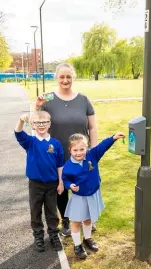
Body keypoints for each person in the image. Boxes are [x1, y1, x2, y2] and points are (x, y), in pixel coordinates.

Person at [35, 63, 98, 236]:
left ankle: (86, 219)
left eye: (68, 76)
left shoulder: (84, 100)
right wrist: (36, 106)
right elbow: (34, 125)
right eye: (62, 77)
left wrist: (93, 151)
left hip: (82, 155)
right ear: (56, 78)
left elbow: (92, 127)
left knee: (84, 188)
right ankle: (67, 221)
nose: (65, 80)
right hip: (57, 155)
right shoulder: (47, 100)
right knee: (61, 190)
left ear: (73, 78)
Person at [62, 132, 125, 259]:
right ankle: (77, 245)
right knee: (76, 222)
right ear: (70, 150)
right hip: (79, 197)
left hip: (92, 194)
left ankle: (87, 238)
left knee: (88, 219)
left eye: (82, 149)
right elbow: (66, 179)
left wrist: (113, 138)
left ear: (87, 148)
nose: (79, 153)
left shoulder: (92, 155)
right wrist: (70, 185)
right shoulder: (68, 166)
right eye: (75, 150)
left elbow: (102, 146)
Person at [14, 110, 64, 252]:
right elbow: (18, 133)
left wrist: (61, 182)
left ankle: (54, 234)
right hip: (36, 185)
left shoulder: (56, 143)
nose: (41, 125)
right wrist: (21, 121)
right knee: (35, 211)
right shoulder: (30, 142)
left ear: (49, 124)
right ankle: (38, 235)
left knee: (52, 211)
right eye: (37, 122)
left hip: (52, 184)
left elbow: (60, 165)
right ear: (32, 125)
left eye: (44, 122)